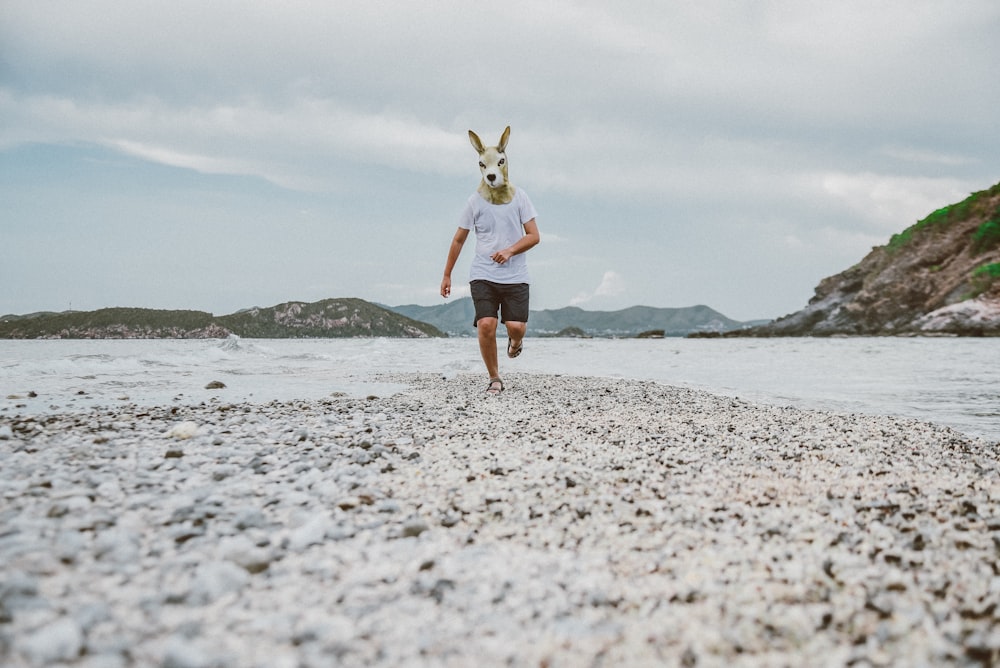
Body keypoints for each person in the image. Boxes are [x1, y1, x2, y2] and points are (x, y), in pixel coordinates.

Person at [440, 147, 540, 395]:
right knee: (486, 324)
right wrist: (447, 274)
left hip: (515, 275)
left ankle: (515, 342)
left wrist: (509, 251)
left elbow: (534, 236)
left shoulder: (520, 198)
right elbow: (458, 240)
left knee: (516, 327)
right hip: (483, 274)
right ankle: (495, 378)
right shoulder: (474, 202)